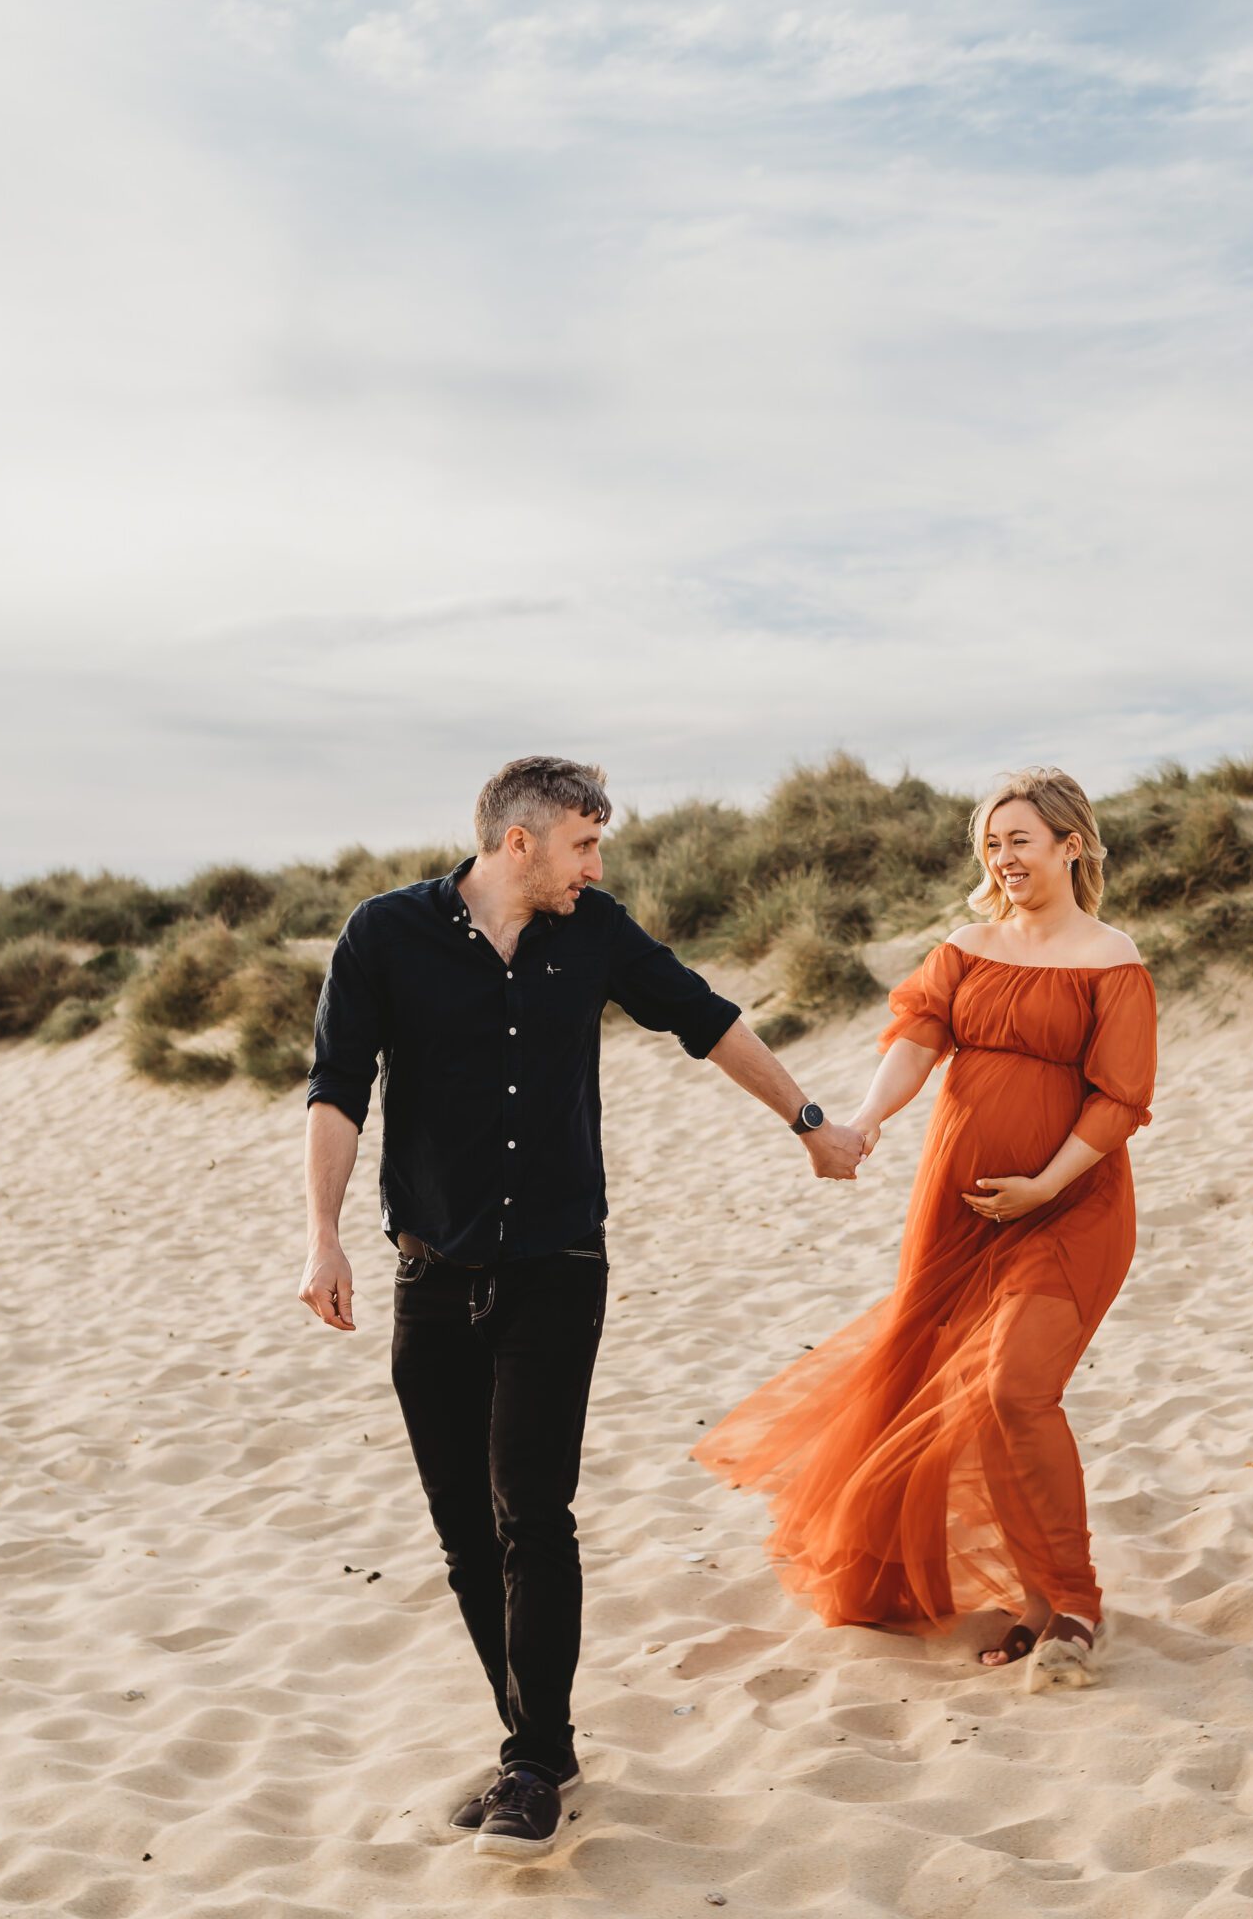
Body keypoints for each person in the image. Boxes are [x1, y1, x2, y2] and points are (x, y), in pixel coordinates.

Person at [299, 756, 865, 1860]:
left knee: (531, 1509)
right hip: (429, 1270)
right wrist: (322, 1236)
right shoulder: (384, 934)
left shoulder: (593, 930)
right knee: (465, 1529)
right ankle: (537, 1746)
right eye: (583, 844)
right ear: (520, 843)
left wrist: (810, 1120)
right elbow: (337, 1086)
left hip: (557, 1264)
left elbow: (705, 1019)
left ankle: (532, 1760)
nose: (596, 866)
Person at [693, 768, 1155, 1690]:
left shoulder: (1112, 958)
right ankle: (1035, 1601)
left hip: (1073, 1205)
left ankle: (1073, 1601)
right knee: (961, 1389)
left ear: (1070, 844)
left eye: (1019, 839)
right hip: (957, 1210)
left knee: (1014, 1388)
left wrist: (1045, 1183)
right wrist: (863, 1120)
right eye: (991, 842)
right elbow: (917, 1039)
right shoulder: (968, 945)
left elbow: (1119, 1098)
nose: (1002, 857)